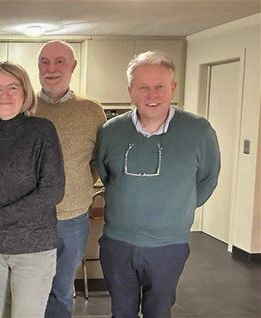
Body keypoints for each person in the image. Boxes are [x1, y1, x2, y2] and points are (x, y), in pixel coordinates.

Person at [93, 51, 221, 317]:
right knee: (121, 312)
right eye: (143, 87)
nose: (152, 95)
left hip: (168, 245)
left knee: (159, 311)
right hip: (118, 244)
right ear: (130, 91)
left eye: (160, 87)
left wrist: (178, 204)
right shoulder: (111, 131)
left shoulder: (198, 131)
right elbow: (105, 174)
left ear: (173, 88)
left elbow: (208, 178)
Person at [0, 61, 65, 318]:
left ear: (25, 92)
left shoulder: (42, 130)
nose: (5, 95)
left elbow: (53, 190)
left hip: (33, 248)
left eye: (13, 87)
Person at [36, 40, 107, 318]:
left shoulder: (92, 110)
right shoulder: (24, 107)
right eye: (44, 61)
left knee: (63, 289)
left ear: (73, 66)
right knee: (32, 288)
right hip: (33, 219)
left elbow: (98, 161)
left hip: (74, 219)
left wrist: (77, 185)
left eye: (59, 61)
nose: (51, 68)